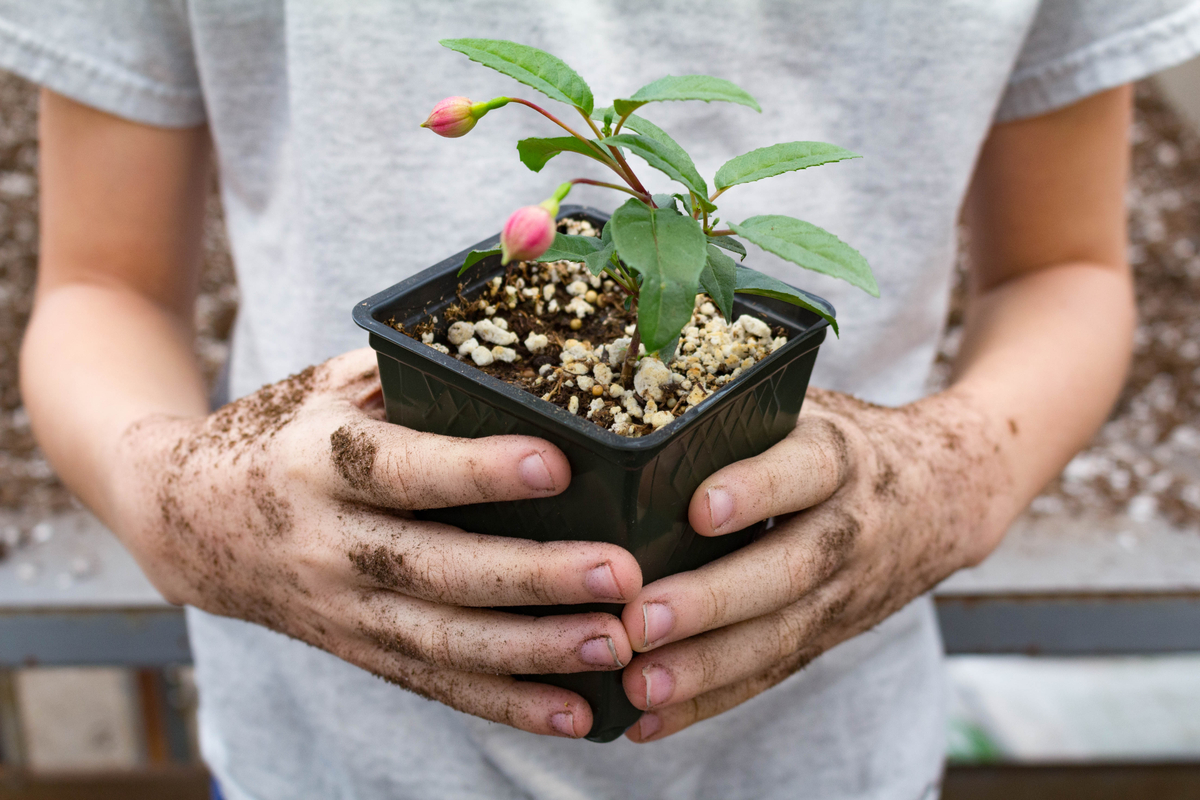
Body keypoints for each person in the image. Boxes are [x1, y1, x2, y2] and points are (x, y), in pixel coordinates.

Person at [5, 2, 1200, 798]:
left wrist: (957, 474)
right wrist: (178, 505)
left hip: (830, 755)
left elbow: (1068, 271)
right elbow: (101, 287)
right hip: (314, 758)